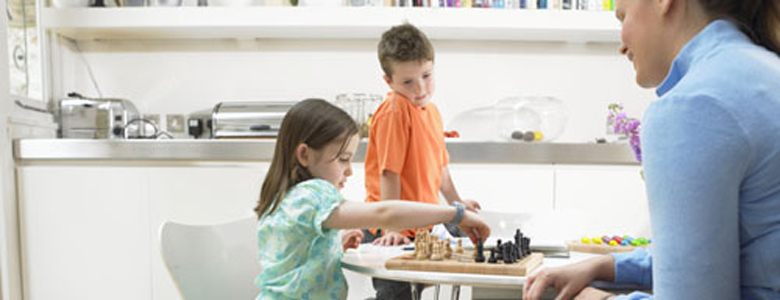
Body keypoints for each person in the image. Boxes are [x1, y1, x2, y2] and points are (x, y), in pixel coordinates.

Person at [523, 0, 780, 299]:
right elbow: (726, 253)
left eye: (623, 18)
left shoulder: (693, 104)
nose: (621, 44)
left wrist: (597, 299)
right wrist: (608, 266)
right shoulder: (763, 71)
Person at [253, 99, 490, 300]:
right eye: (343, 159)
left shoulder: (280, 198)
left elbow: (293, 256)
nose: (349, 171)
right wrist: (455, 213)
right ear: (304, 154)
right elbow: (384, 213)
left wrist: (332, 246)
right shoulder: (314, 194)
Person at [361, 22, 484, 299]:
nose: (420, 88)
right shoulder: (396, 108)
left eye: (426, 76)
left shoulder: (432, 111)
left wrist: (458, 202)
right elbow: (389, 174)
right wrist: (391, 227)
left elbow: (440, 169)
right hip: (389, 225)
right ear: (389, 82)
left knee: (468, 241)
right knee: (395, 295)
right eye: (408, 82)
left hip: (420, 223)